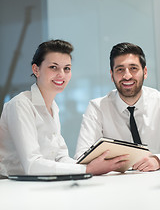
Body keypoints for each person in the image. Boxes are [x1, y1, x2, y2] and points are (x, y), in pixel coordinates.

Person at [0, 39, 128, 176]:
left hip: (41, 183)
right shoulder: (21, 104)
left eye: (67, 68)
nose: (61, 74)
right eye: (53, 67)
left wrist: (92, 165)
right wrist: (87, 169)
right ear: (36, 69)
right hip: (11, 186)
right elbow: (32, 165)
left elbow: (60, 157)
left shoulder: (53, 107)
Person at [75, 42, 160, 172]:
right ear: (112, 74)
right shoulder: (97, 108)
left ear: (145, 72)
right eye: (120, 69)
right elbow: (81, 156)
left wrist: (158, 160)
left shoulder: (158, 102)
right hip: (114, 182)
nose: (127, 76)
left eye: (133, 68)